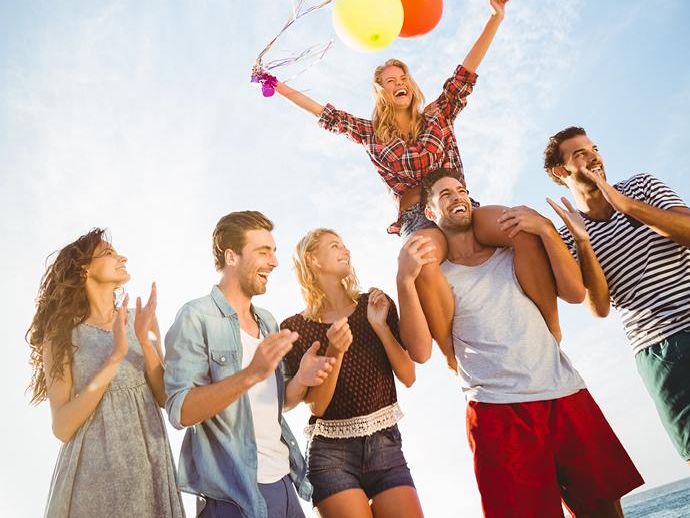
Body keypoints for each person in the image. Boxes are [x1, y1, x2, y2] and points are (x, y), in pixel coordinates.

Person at [268, 0, 564, 361]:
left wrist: (495, 18)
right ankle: (451, 353)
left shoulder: (439, 114)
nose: (399, 83)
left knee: (518, 226)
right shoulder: (371, 134)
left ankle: (551, 323)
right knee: (421, 260)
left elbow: (466, 71)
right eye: (389, 81)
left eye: (402, 77)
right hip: (417, 218)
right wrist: (277, 86)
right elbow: (324, 113)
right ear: (381, 94)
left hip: (460, 207)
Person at [396, 169, 644, 517]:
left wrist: (544, 226)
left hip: (563, 392)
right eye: (446, 194)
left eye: (462, 190)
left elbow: (574, 292)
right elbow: (423, 347)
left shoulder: (513, 252)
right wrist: (404, 278)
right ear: (431, 214)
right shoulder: (438, 275)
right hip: (498, 410)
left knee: (605, 511)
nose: (458, 197)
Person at [164, 211, 336, 518]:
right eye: (263, 252)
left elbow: (278, 404)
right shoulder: (195, 317)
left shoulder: (267, 321)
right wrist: (250, 374)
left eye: (274, 251)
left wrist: (303, 379)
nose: (274, 262)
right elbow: (180, 411)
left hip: (283, 483)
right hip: (232, 494)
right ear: (232, 256)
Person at [543, 125, 690, 470]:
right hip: (658, 351)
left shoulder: (642, 186)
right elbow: (598, 307)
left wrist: (625, 205)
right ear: (560, 171)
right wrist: (583, 242)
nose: (593, 155)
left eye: (594, 148)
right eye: (580, 154)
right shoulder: (569, 235)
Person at [26, 228, 184, 518]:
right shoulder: (60, 334)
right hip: (91, 478)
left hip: (147, 468)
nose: (122, 257)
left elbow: (165, 399)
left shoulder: (142, 318)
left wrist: (146, 343)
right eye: (109, 253)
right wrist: (114, 359)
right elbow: (61, 427)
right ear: (85, 267)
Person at [281, 229, 422, 518]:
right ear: (313, 260)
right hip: (331, 457)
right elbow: (317, 406)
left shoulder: (375, 303)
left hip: (387, 448)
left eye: (345, 245)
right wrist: (335, 351)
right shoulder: (294, 328)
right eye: (335, 246)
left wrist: (380, 327)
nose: (346, 250)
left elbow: (408, 376)